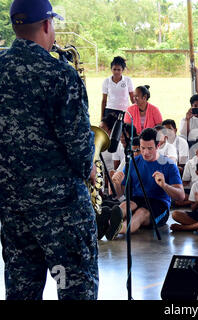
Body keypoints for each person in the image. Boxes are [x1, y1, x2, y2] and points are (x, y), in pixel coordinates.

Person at [0, 0, 98, 300]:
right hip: (62, 210)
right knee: (75, 286)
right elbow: (81, 148)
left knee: (21, 290)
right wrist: (90, 170)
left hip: (13, 208)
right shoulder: (58, 74)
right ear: (46, 24)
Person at [100, 128, 184, 240]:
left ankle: (114, 229)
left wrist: (164, 185)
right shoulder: (134, 161)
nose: (145, 152)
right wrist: (116, 183)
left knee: (141, 213)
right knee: (126, 205)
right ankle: (108, 222)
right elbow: (119, 194)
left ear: (158, 146)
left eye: (150, 148)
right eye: (142, 148)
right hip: (137, 199)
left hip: (159, 204)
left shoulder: (169, 165)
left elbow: (181, 196)